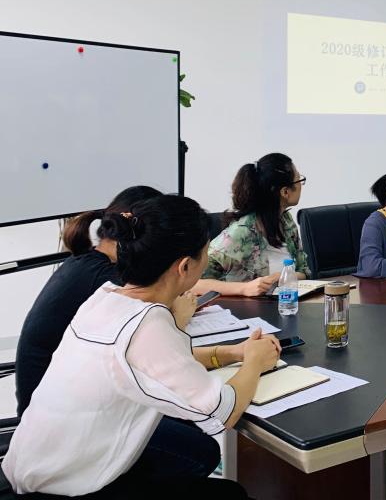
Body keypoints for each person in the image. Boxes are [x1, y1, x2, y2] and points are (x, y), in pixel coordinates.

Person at [2, 194, 281, 498]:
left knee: (194, 450)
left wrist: (230, 352)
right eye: (205, 254)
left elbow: (152, 361)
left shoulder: (107, 297)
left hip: (37, 464)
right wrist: (254, 361)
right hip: (62, 488)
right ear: (185, 266)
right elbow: (223, 412)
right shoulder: (148, 325)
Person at [15, 185, 162, 416]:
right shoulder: (102, 275)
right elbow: (160, 294)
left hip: (54, 395)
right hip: (52, 409)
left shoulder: (91, 260)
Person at [197, 152, 308, 296]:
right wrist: (244, 288)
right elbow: (193, 283)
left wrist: (283, 277)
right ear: (285, 192)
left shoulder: (286, 221)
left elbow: (304, 271)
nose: (301, 185)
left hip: (284, 304)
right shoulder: (241, 233)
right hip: (245, 309)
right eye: (299, 180)